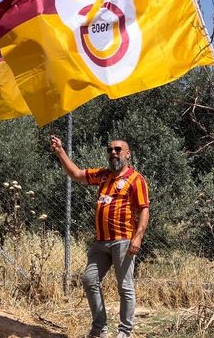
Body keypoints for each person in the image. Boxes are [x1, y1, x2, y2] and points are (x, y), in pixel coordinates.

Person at [50, 135, 150, 338]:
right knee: (89, 280)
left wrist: (138, 237)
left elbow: (144, 210)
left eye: (118, 149)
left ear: (127, 154)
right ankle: (99, 330)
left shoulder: (136, 179)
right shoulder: (103, 175)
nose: (113, 153)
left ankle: (124, 332)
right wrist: (60, 151)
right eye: (110, 150)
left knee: (125, 287)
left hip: (124, 240)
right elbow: (76, 174)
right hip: (101, 242)